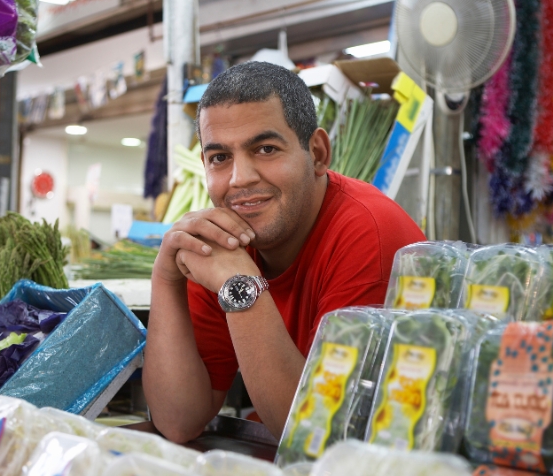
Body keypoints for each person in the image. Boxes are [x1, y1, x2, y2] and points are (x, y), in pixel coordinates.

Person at [143, 61, 425, 443]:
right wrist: (165, 278)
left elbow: (314, 433)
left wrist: (242, 287)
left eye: (266, 149)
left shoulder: (370, 234)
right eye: (220, 157)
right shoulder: (224, 242)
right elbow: (178, 420)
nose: (240, 179)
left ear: (317, 153)